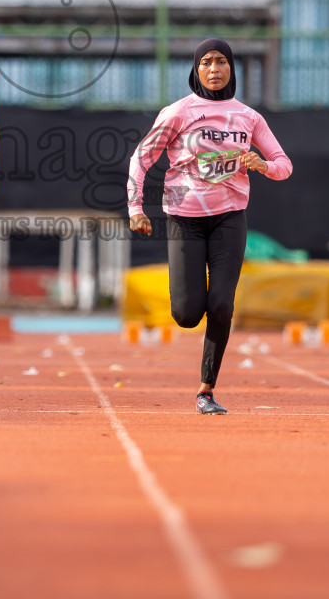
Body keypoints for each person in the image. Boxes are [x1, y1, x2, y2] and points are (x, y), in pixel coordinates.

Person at [128, 38, 293, 415]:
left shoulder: (249, 118)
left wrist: (262, 165)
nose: (215, 69)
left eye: (221, 62)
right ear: (196, 69)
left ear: (231, 68)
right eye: (207, 63)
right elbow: (141, 159)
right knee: (186, 315)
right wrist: (136, 207)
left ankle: (206, 390)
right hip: (184, 218)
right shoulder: (178, 112)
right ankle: (191, 308)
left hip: (230, 218)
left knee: (221, 304)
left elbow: (284, 165)